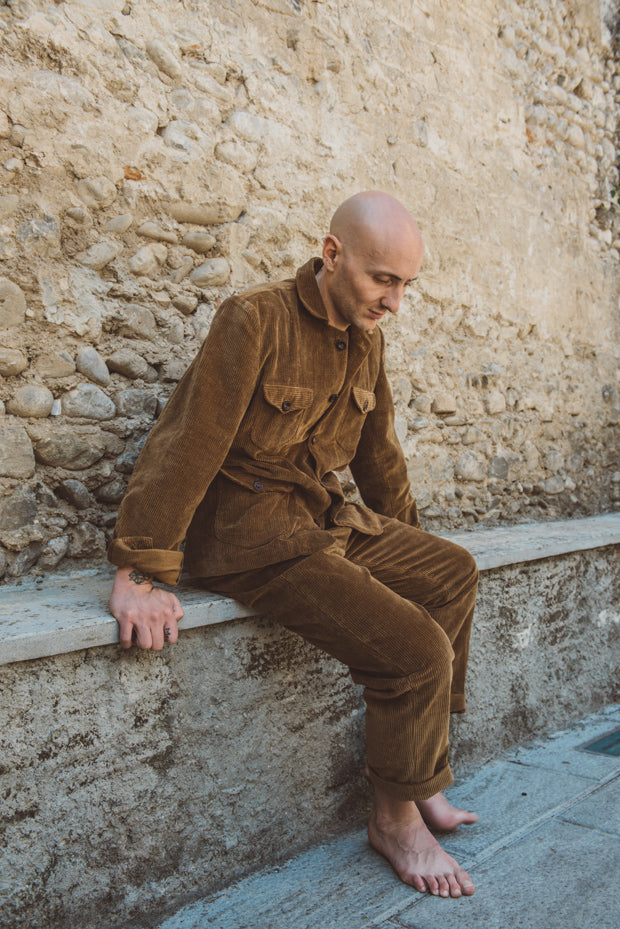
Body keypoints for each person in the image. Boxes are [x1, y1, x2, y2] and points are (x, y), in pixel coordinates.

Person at [108, 191, 479, 898]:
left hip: (323, 516)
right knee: (414, 650)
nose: (395, 301)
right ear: (333, 253)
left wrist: (407, 538)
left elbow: (382, 460)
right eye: (383, 279)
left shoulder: (367, 339)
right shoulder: (256, 318)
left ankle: (422, 772)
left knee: (452, 571)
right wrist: (142, 565)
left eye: (406, 285)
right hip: (253, 536)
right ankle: (395, 818)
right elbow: (188, 440)